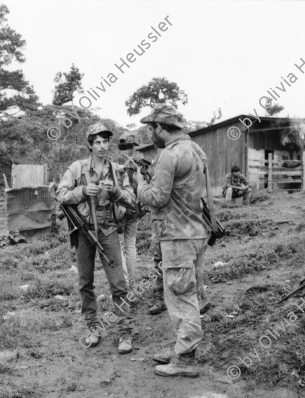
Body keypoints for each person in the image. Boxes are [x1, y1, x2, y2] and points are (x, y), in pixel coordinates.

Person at [133, 104, 212, 377]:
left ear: (160, 128)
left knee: (181, 296)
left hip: (178, 236)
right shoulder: (195, 150)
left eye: (150, 128)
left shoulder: (169, 154)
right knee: (189, 293)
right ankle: (182, 348)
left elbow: (157, 198)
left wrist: (139, 184)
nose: (149, 134)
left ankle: (186, 359)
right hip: (198, 231)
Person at [56, 122, 135, 354]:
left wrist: (115, 192)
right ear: (90, 145)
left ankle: (124, 331)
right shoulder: (78, 168)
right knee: (85, 283)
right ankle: (92, 328)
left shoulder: (117, 170)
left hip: (108, 230)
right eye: (97, 142)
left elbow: (131, 199)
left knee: (119, 283)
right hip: (84, 231)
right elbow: (60, 193)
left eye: (105, 141)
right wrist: (81, 191)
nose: (102, 146)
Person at [117, 132, 144, 290]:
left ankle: (125, 283)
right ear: (134, 145)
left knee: (117, 246)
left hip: (118, 206)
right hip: (134, 206)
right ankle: (132, 283)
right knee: (130, 245)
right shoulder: (140, 160)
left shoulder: (112, 160)